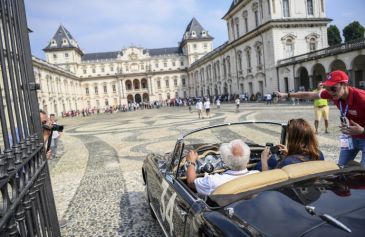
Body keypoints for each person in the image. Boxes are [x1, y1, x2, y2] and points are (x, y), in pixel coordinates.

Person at [275, 70, 365, 166]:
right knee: (341, 168)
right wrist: (286, 95)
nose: (330, 92)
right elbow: (309, 95)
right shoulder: (333, 93)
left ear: (344, 84)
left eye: (333, 88)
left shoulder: (362, 98)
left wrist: (362, 131)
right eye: (327, 88)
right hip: (351, 138)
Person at [186, 139, 259, 196]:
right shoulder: (257, 175)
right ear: (248, 160)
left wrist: (191, 162)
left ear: (226, 162)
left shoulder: (214, 181)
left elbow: (191, 183)